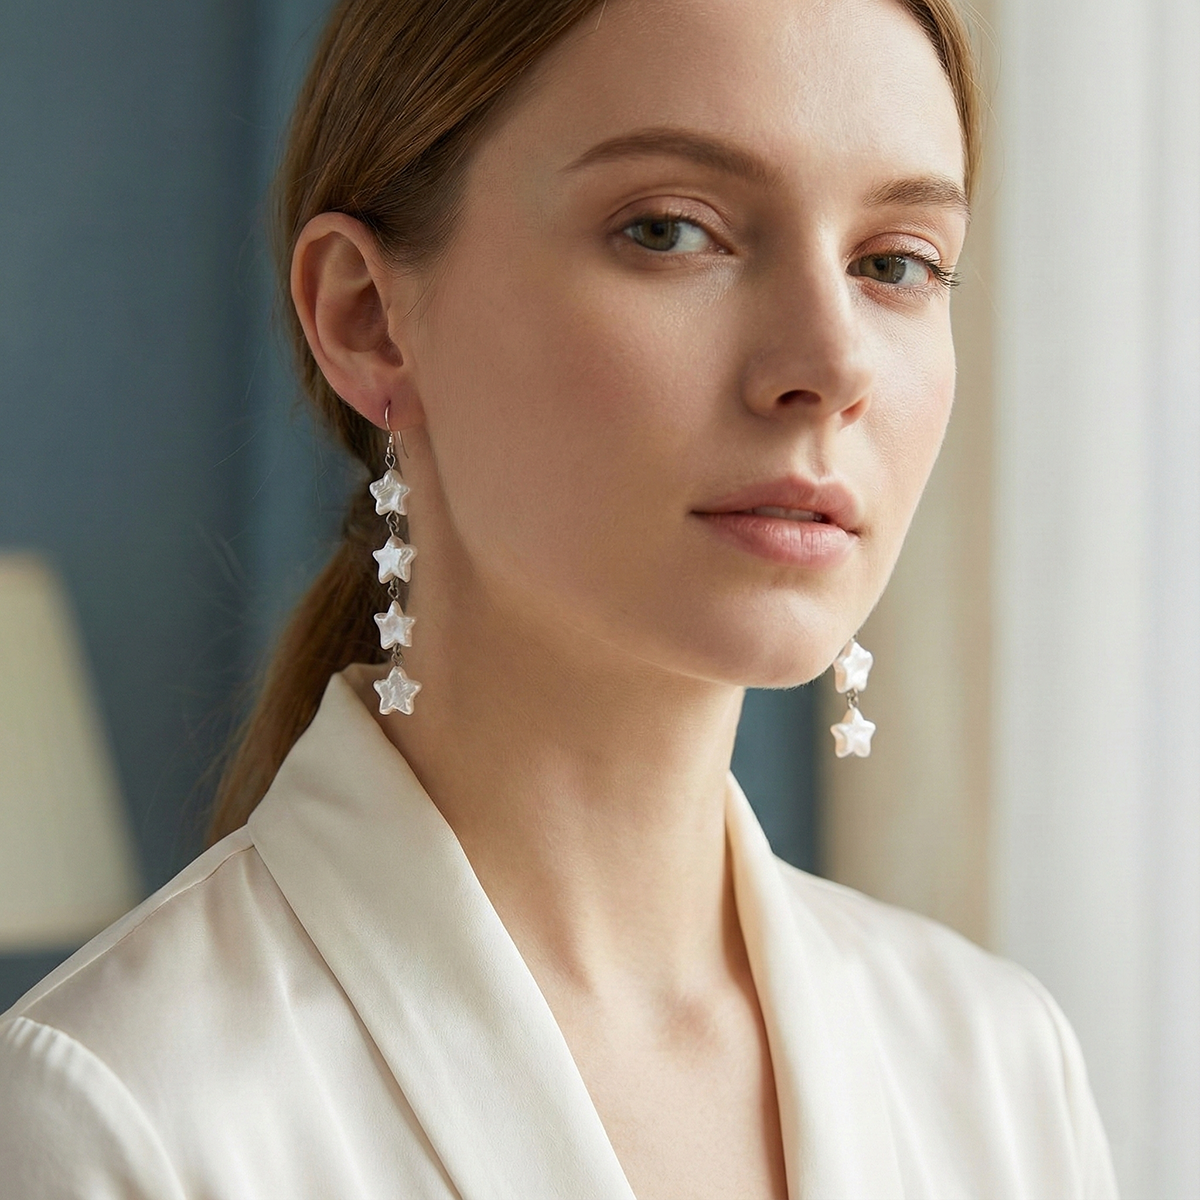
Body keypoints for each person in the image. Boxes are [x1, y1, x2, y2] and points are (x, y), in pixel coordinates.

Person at [0, 0, 1119, 1195]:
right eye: (671, 231)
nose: (832, 364)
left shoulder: (1002, 1071)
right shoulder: (117, 1112)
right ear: (367, 317)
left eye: (895, 262)